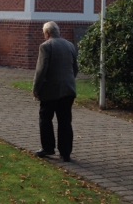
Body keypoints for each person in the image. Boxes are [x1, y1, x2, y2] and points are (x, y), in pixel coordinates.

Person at [32, 21, 78, 162]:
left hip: (51, 91)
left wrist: (36, 89)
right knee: (65, 121)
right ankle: (65, 153)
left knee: (45, 118)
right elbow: (75, 67)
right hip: (69, 89)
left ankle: (48, 148)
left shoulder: (46, 46)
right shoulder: (70, 45)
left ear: (47, 33)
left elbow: (41, 70)